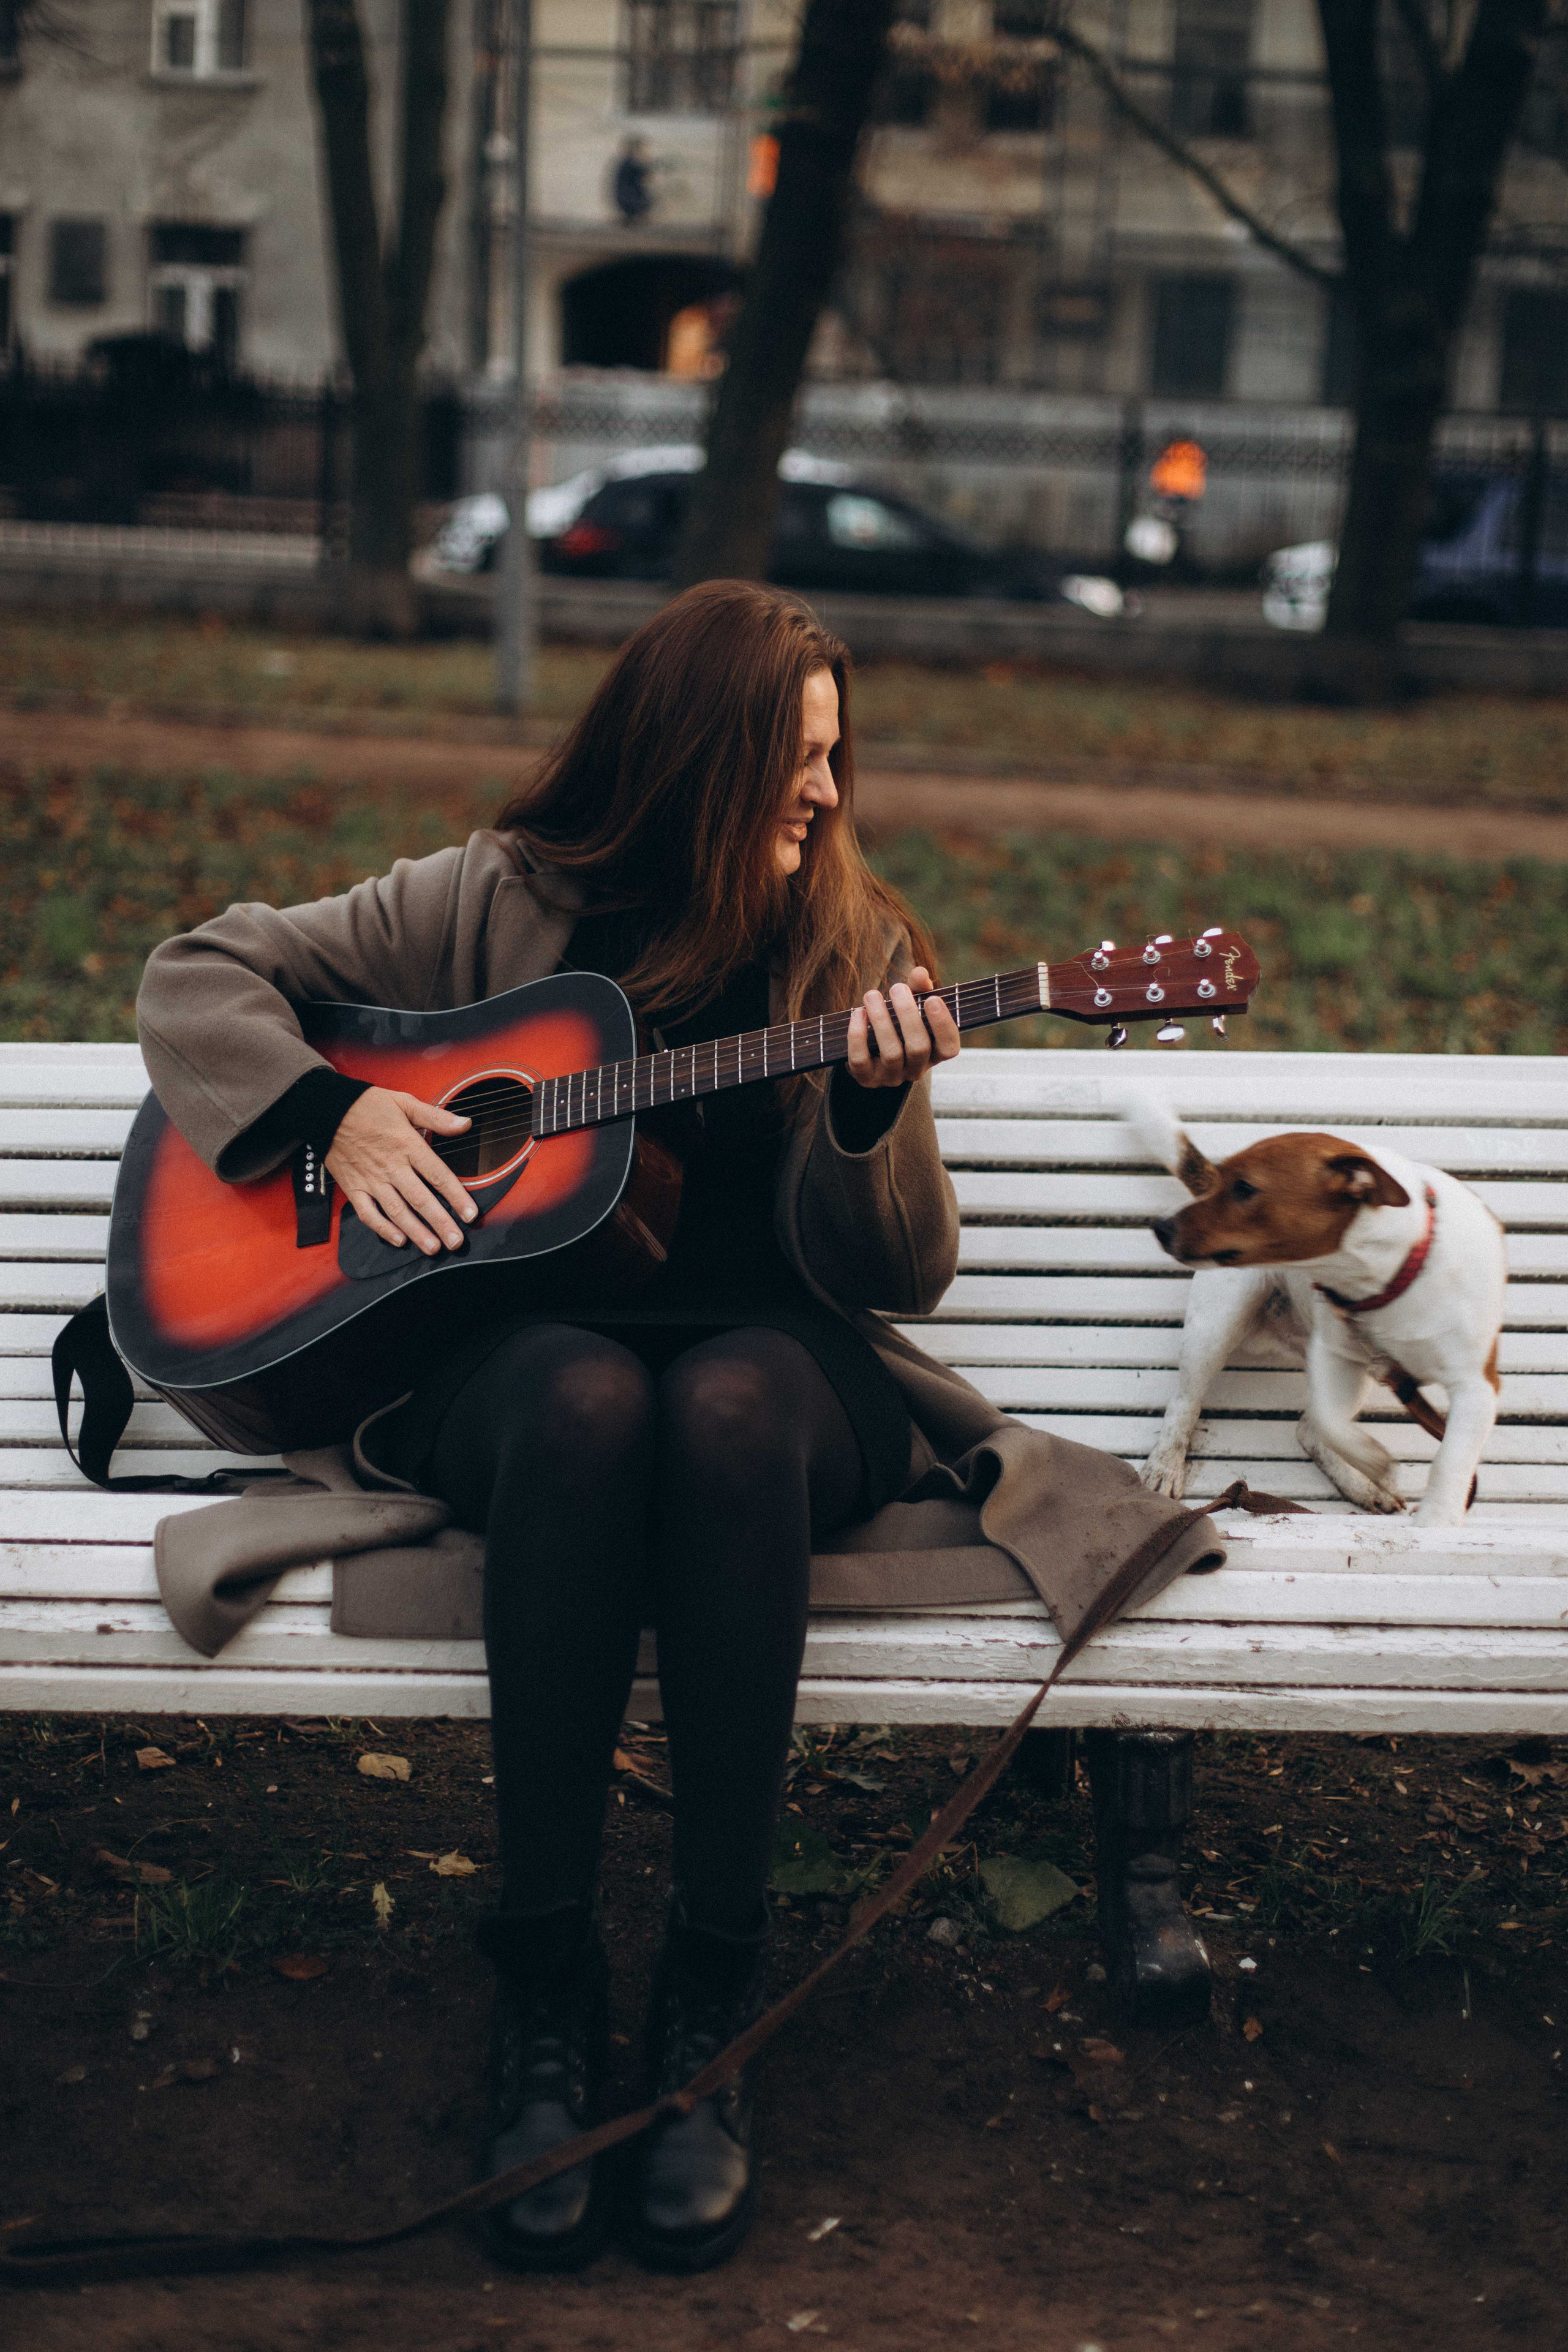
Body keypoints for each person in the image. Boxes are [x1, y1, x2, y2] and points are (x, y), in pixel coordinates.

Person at [135, 581, 1221, 2278]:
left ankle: (714, 1995)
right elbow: (199, 971)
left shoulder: (853, 946)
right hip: (515, 1366)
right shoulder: (487, 905)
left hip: (785, 1383)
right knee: (584, 1396)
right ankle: (548, 1991)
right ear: (694, 755)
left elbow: (902, 1275)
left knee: (708, 1403)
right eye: (796, 758)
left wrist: (869, 1107)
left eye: (838, 760)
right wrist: (335, 1121)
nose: (824, 793)